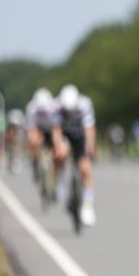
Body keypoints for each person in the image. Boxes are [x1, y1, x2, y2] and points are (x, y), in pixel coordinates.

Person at [53, 85, 97, 227]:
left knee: (85, 169)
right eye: (67, 112)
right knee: (60, 155)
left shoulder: (85, 105)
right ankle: (61, 184)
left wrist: (90, 147)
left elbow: (89, 129)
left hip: (80, 136)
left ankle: (88, 206)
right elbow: (56, 130)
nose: (70, 114)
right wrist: (58, 147)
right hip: (65, 136)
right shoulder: (56, 106)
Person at [26, 88, 57, 184]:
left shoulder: (55, 107)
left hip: (50, 129)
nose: (43, 113)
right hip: (38, 129)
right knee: (33, 143)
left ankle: (55, 176)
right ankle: (35, 164)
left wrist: (56, 144)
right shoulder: (31, 108)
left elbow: (57, 128)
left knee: (56, 150)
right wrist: (34, 142)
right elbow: (31, 129)